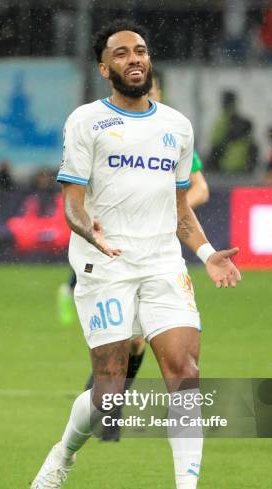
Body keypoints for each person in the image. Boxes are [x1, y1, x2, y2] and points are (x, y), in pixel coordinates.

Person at [29, 20, 241, 489]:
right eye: (121, 53)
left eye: (140, 50)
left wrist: (207, 252)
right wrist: (90, 232)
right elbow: (73, 205)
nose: (134, 58)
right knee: (110, 393)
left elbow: (180, 209)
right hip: (105, 264)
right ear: (105, 68)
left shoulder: (177, 126)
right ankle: (63, 453)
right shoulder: (86, 123)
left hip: (164, 262)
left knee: (185, 373)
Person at [57, 70, 211, 441]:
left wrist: (161, 210)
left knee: (139, 341)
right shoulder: (100, 127)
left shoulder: (172, 132)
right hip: (111, 247)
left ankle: (109, 413)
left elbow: (199, 188)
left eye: (155, 89)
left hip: (153, 249)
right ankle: (102, 407)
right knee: (121, 340)